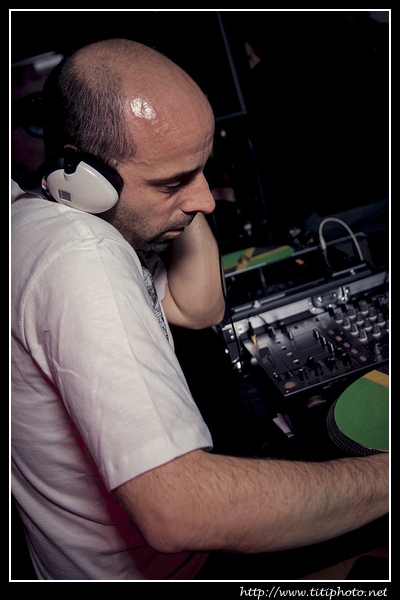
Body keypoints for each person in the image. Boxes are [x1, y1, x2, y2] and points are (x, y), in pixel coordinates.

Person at [11, 38, 388, 581]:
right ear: (81, 177)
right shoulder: (82, 259)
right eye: (172, 181)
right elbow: (179, 512)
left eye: (202, 170)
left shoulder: (33, 214)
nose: (207, 200)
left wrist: (179, 177)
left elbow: (199, 306)